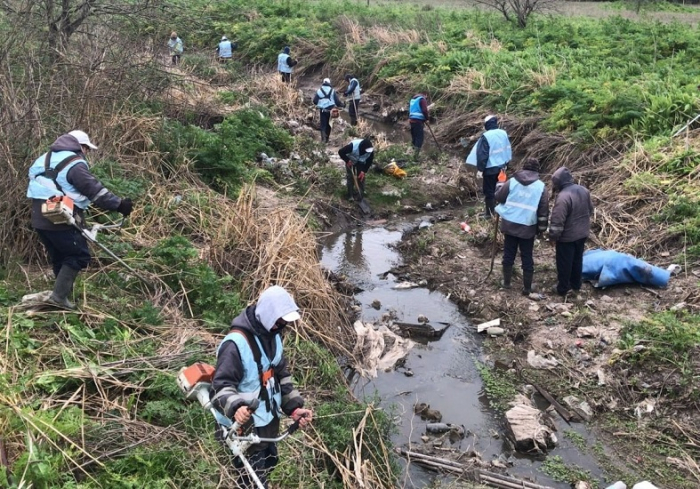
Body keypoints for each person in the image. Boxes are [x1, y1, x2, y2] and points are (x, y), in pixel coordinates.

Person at [211, 285, 313, 488]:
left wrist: (294, 408)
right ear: (267, 314)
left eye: (284, 321)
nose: (282, 325)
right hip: (244, 428)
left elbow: (281, 376)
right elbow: (220, 387)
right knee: (253, 482)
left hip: (267, 422)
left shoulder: (273, 336)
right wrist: (237, 407)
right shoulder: (235, 345)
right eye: (279, 320)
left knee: (268, 465)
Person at [26, 131, 133, 309]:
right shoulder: (74, 164)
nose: (86, 153)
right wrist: (120, 205)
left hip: (39, 216)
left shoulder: (44, 158)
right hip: (61, 216)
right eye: (86, 149)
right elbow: (95, 191)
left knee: (61, 255)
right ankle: (59, 298)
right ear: (81, 147)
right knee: (78, 255)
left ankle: (61, 296)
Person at [494, 158, 549, 295]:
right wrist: (541, 230)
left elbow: (499, 197)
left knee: (508, 253)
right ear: (537, 170)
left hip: (510, 224)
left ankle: (506, 283)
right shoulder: (541, 187)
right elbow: (543, 211)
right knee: (527, 256)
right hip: (528, 228)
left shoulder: (511, 182)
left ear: (523, 167)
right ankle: (527, 288)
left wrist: (500, 183)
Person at [549, 167, 594, 297]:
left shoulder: (563, 197)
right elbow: (590, 210)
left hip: (567, 237)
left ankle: (563, 289)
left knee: (564, 263)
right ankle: (576, 285)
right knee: (577, 259)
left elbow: (557, 220)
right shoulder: (584, 190)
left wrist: (553, 237)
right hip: (582, 233)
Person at [465, 115, 512, 219]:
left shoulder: (486, 136)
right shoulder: (503, 133)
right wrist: (507, 165)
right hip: (502, 168)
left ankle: (489, 214)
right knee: (500, 189)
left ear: (486, 124)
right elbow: (507, 149)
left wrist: (480, 169)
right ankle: (499, 212)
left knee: (489, 191)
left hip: (490, 169)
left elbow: (482, 155)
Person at [313, 78, 345, 143]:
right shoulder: (332, 91)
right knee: (329, 124)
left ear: (323, 82)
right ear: (329, 83)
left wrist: (320, 103)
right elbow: (337, 102)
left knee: (323, 125)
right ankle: (327, 139)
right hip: (331, 111)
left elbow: (315, 101)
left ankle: (323, 140)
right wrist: (343, 105)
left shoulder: (319, 91)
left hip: (322, 111)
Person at [408, 93, 429, 160]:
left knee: (414, 137)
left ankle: (411, 152)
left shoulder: (413, 100)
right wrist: (427, 119)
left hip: (412, 121)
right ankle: (415, 157)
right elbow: (424, 110)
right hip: (418, 121)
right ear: (425, 94)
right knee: (419, 138)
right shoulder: (422, 99)